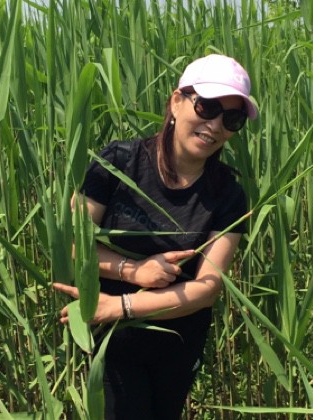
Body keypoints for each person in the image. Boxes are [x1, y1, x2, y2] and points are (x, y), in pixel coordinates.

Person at [53, 53, 258, 419]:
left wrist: (121, 305)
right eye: (207, 106)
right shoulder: (118, 162)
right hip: (112, 340)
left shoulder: (228, 194)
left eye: (232, 119)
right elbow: (72, 245)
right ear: (176, 102)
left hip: (177, 342)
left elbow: (207, 288)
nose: (215, 125)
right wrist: (133, 270)